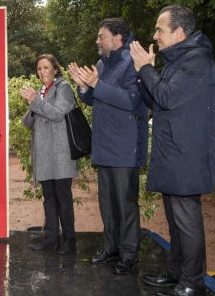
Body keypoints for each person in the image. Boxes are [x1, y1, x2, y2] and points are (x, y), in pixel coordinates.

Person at [130, 5, 215, 296]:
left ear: (179, 32)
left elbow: (167, 97)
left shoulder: (197, 61)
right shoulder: (178, 60)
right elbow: (158, 100)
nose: (154, 34)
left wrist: (146, 68)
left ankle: (192, 283)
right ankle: (177, 272)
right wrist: (141, 73)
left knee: (187, 221)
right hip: (174, 154)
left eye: (159, 29)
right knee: (175, 220)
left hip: (186, 156)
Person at [68, 18, 148, 275]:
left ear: (118, 39)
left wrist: (96, 85)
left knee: (125, 205)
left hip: (124, 149)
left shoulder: (133, 64)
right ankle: (111, 247)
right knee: (106, 204)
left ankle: (128, 254)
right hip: (103, 147)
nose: (97, 40)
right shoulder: (103, 64)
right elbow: (95, 99)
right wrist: (84, 87)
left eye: (101, 36)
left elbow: (133, 101)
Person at [20, 54, 78, 254]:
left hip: (61, 155)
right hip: (45, 155)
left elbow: (57, 113)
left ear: (55, 69)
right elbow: (27, 122)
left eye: (46, 67)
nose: (42, 72)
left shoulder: (64, 88)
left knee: (63, 198)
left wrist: (36, 101)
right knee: (49, 198)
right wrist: (34, 102)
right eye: (39, 69)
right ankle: (51, 238)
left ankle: (70, 240)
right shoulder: (42, 91)